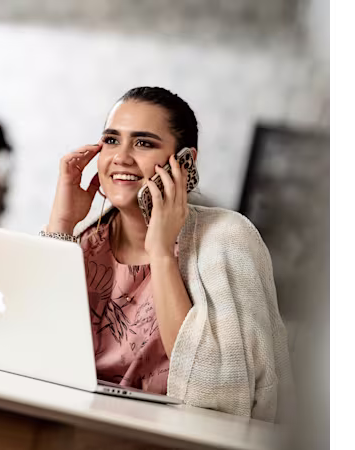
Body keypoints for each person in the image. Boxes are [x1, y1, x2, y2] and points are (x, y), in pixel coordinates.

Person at [41, 87, 293, 422]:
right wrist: (61, 224)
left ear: (186, 161)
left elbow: (218, 394)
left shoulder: (225, 237)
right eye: (112, 140)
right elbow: (30, 347)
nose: (122, 157)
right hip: (70, 423)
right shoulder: (86, 240)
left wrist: (160, 253)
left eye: (144, 143)